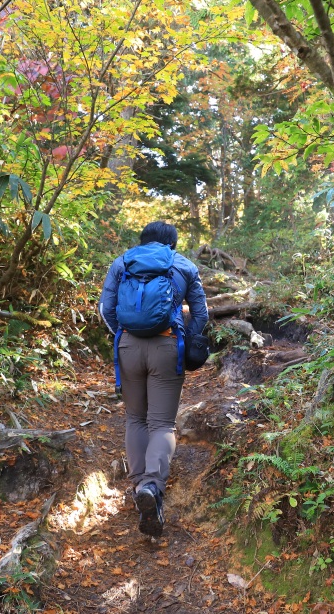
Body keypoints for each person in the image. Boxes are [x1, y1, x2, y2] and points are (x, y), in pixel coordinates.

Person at [98, 221, 208, 537]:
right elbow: (201, 315)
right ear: (172, 244)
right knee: (162, 423)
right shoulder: (184, 264)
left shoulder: (122, 262)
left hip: (128, 346)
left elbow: (106, 310)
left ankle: (139, 488)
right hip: (167, 344)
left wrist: (124, 336)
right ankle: (152, 486)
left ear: (142, 241)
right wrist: (188, 340)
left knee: (135, 419)